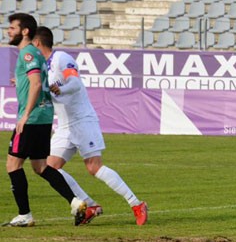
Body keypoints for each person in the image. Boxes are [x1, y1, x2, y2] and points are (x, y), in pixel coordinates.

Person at [32, 27, 149, 226]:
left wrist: (61, 89)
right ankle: (89, 205)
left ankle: (136, 203)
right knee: (48, 168)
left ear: (37, 43)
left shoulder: (60, 57)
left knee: (93, 167)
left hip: (82, 120)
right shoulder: (42, 67)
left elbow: (75, 83)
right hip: (64, 126)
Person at [2, 14, 86, 227]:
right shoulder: (37, 54)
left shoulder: (28, 54)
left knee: (13, 164)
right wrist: (20, 81)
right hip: (44, 117)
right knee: (40, 166)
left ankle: (25, 214)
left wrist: (25, 115)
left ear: (25, 31)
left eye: (12, 28)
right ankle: (76, 202)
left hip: (32, 119)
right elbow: (36, 81)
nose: (8, 31)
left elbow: (37, 84)